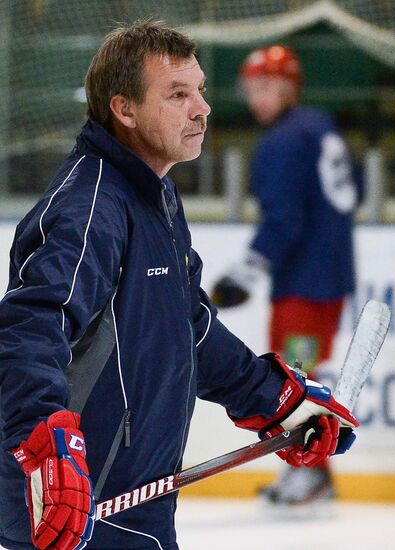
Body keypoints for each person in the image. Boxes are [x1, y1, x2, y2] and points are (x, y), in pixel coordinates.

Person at [0, 24, 358, 550]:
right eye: (178, 95)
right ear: (125, 110)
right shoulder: (92, 207)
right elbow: (32, 327)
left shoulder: (156, 196)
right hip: (74, 515)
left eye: (201, 90)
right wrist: (44, 447)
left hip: (132, 513)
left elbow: (188, 329)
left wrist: (275, 397)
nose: (203, 109)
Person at [211, 45, 364, 506]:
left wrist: (247, 272)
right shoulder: (318, 125)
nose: (257, 98)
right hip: (327, 282)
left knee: (297, 376)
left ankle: (312, 472)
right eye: (252, 89)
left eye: (266, 87)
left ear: (288, 86)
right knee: (301, 370)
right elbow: (349, 189)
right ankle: (313, 470)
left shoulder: (282, 140)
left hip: (305, 287)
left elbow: (283, 220)